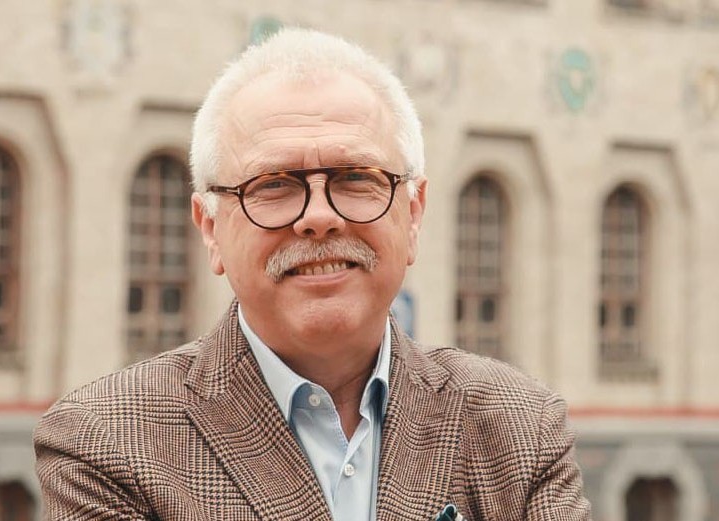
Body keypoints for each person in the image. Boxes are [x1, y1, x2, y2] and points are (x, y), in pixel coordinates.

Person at [34, 28, 591, 521]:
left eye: (356, 178)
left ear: (413, 214)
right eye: (273, 185)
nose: (319, 216)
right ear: (211, 228)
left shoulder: (519, 427)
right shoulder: (106, 442)